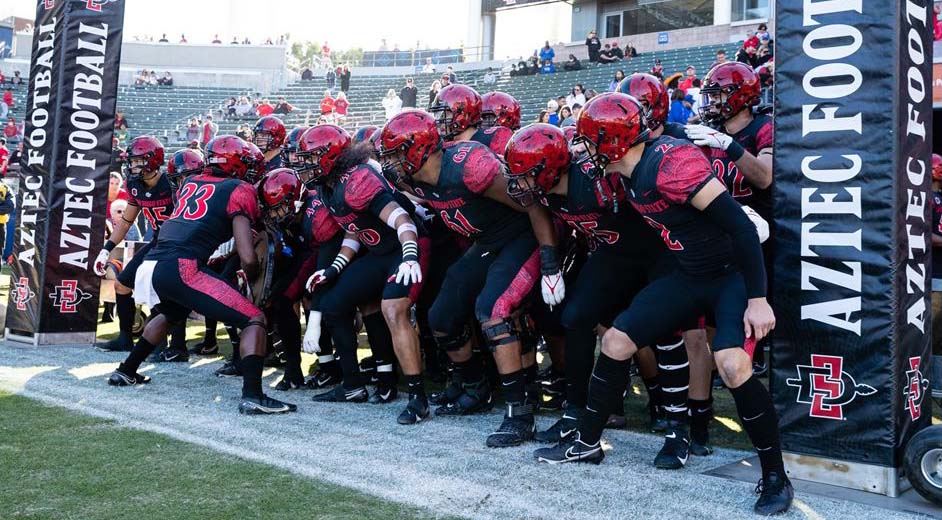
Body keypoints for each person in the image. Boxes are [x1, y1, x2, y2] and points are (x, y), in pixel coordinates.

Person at [533, 93, 792, 516]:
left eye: (589, 141)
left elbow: (741, 229)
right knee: (617, 341)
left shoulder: (669, 165)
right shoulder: (623, 172)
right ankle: (586, 443)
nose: (582, 149)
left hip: (730, 277)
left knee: (732, 364)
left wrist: (759, 299)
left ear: (613, 143)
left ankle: (776, 476)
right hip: (687, 274)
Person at [378, 110, 562, 447]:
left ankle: (520, 413)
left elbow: (533, 203)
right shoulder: (410, 177)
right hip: (487, 243)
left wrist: (550, 259)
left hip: (521, 236)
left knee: (492, 311)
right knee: (441, 317)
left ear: (418, 149)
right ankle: (476, 386)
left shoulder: (470, 166)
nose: (390, 162)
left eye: (395, 153)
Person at [108, 135, 295, 416]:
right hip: (184, 266)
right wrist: (254, 281)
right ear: (236, 163)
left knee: (171, 312)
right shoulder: (239, 188)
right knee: (254, 318)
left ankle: (126, 370)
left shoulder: (192, 183)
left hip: (154, 261)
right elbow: (246, 255)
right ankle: (253, 395)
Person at [299, 125, 430, 424]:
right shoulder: (327, 186)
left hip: (406, 248)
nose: (303, 165)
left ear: (329, 157)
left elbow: (403, 221)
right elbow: (354, 231)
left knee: (393, 309)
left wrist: (410, 256)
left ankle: (417, 397)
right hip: (379, 254)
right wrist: (334, 268)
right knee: (333, 304)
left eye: (310, 158)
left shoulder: (357, 180)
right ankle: (352, 385)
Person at [93, 136, 189, 362]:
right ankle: (126, 336)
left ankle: (169, 344)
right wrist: (107, 249)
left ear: (153, 161)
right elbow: (126, 221)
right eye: (132, 161)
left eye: (138, 161)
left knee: (163, 289)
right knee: (122, 284)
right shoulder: (134, 185)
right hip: (157, 241)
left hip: (178, 243)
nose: (133, 166)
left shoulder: (172, 183)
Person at [429, 84, 513, 156]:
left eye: (445, 114)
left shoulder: (495, 138)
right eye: (438, 114)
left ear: (465, 114)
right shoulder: (442, 146)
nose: (439, 120)